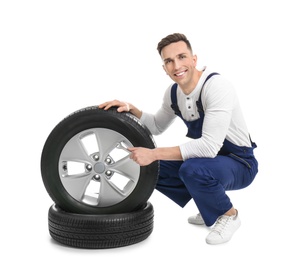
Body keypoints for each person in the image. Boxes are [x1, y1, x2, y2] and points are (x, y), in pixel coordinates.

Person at [99, 33, 258, 245]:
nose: (176, 65)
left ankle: (229, 215)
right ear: (164, 68)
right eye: (169, 61)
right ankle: (209, 204)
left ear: (194, 59)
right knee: (151, 168)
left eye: (182, 57)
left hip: (240, 163)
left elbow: (209, 147)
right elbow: (156, 125)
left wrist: (154, 153)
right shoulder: (173, 93)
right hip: (210, 161)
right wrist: (131, 109)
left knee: (191, 169)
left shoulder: (217, 87)